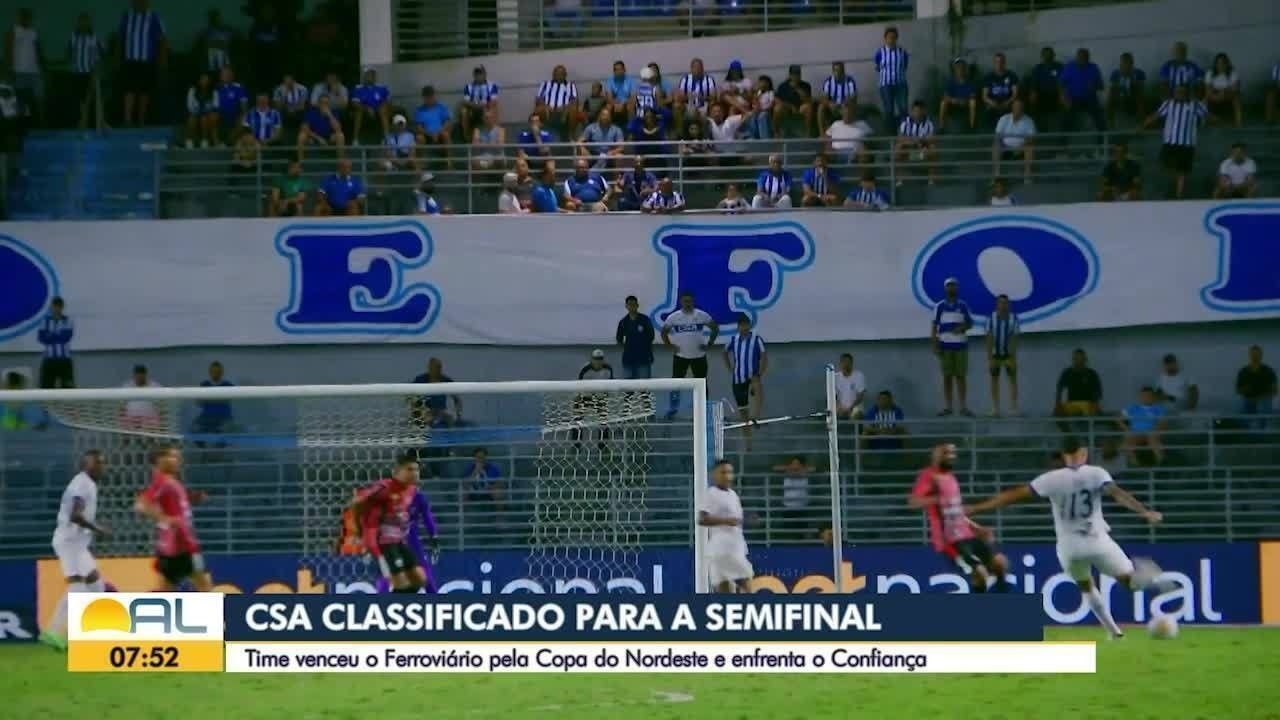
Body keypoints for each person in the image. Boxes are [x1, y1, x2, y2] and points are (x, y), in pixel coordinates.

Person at [965, 437, 1168, 639]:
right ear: (1084, 453)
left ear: (1064, 456)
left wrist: (977, 507)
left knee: (1086, 586)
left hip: (1069, 546)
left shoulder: (1052, 478)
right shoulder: (1096, 473)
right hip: (1097, 540)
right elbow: (1118, 494)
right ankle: (1148, 576)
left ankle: (1114, 632)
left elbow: (1015, 494)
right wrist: (1144, 512)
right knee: (1128, 582)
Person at [909, 443, 1010, 593]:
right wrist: (937, 499)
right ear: (935, 455)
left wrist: (976, 527)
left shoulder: (951, 478)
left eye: (952, 453)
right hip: (949, 541)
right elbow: (913, 502)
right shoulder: (928, 476)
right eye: (946, 453)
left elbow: (955, 511)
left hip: (966, 535)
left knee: (1000, 563)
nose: (951, 456)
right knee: (980, 573)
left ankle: (1002, 597)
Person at [39, 450, 109, 650]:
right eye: (98, 463)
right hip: (69, 543)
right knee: (77, 588)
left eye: (103, 464)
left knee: (96, 586)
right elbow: (75, 515)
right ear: (87, 464)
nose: (102, 467)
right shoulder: (82, 483)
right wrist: (97, 528)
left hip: (79, 545)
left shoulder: (88, 483)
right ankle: (53, 632)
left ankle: (78, 633)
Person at [350, 451, 431, 593]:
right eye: (409, 469)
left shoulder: (411, 490)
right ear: (397, 472)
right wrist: (359, 530)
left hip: (399, 542)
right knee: (401, 583)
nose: (415, 473)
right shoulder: (385, 487)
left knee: (420, 579)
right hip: (383, 543)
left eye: (417, 470)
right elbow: (357, 502)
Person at [135, 446, 213, 591]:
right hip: (181, 545)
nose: (178, 461)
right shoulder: (163, 482)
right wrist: (165, 518)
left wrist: (192, 498)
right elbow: (141, 505)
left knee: (168, 589)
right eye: (174, 457)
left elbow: (177, 506)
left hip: (176, 546)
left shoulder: (173, 483)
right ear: (161, 460)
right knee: (204, 586)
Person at [370, 483, 439, 594]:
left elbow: (427, 516)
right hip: (395, 543)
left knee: (425, 576)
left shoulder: (418, 497)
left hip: (407, 543)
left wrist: (434, 537)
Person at [660, 290, 718, 419]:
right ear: (681, 302)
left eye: (689, 301)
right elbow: (664, 332)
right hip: (681, 356)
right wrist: (670, 346)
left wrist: (709, 343)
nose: (687, 304)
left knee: (702, 384)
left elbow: (715, 328)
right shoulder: (674, 317)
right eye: (685, 301)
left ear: (693, 301)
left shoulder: (701, 315)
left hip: (699, 356)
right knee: (675, 384)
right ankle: (673, 409)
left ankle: (703, 409)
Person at [697, 459, 752, 593]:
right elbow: (702, 519)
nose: (727, 475)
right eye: (723, 472)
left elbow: (735, 521)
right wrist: (726, 521)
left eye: (729, 472)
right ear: (715, 475)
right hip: (724, 550)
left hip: (732, 548)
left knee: (726, 591)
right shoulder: (711, 493)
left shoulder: (733, 495)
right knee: (747, 580)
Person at [931, 277, 974, 417]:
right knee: (947, 377)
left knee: (961, 376)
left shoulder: (963, 305)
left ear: (957, 288)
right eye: (949, 286)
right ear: (945, 288)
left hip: (961, 346)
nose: (951, 288)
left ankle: (963, 407)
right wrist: (935, 345)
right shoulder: (939, 306)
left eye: (953, 286)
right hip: (945, 346)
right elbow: (934, 326)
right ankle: (948, 406)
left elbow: (970, 323)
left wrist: (962, 328)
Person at [724, 313, 767, 443]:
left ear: (749, 325)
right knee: (743, 412)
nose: (744, 327)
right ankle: (748, 440)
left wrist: (760, 373)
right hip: (738, 379)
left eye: (746, 325)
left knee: (756, 389)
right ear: (738, 326)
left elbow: (764, 357)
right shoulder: (734, 339)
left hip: (752, 377)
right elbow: (724, 352)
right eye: (741, 325)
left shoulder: (756, 339)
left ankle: (756, 416)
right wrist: (729, 367)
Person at [986, 294, 1020, 416]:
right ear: (997, 304)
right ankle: (995, 408)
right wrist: (990, 359)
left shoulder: (1013, 318)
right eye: (1001, 303)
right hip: (995, 355)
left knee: (1013, 380)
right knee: (994, 380)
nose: (1003, 305)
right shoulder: (991, 318)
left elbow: (1014, 339)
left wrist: (1013, 359)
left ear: (1008, 304)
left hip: (1008, 355)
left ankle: (1014, 407)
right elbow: (989, 338)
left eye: (1005, 303)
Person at [1119, 386, 1168, 466]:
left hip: (1151, 434)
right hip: (1136, 433)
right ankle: (1135, 466)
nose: (1146, 398)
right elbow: (1119, 419)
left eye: (1149, 396)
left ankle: (1160, 466)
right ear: (1140, 397)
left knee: (1155, 442)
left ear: (1153, 396)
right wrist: (1127, 429)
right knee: (1126, 445)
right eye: (1144, 396)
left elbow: (1163, 422)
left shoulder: (1158, 408)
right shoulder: (1133, 407)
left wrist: (1155, 430)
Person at [37, 296, 74, 388]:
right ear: (51, 307)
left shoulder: (68, 320)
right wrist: (57, 335)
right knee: (46, 387)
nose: (57, 309)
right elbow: (42, 338)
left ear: (62, 307)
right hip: (49, 359)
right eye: (55, 306)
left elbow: (66, 337)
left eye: (59, 307)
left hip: (64, 359)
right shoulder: (45, 321)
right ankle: (47, 403)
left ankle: (67, 403)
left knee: (68, 388)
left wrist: (50, 335)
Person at [616, 295, 656, 379]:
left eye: (634, 304)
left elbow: (651, 336)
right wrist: (628, 347)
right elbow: (619, 339)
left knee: (643, 385)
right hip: (628, 358)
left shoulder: (644, 320)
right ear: (626, 306)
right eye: (629, 304)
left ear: (637, 305)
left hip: (643, 358)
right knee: (628, 385)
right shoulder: (623, 322)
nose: (632, 307)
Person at [833, 353, 866, 419]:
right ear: (840, 363)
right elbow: (834, 396)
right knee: (831, 415)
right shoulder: (835, 377)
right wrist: (839, 407)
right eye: (844, 362)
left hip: (855, 407)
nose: (846, 364)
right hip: (840, 407)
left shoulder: (859, 376)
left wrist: (850, 408)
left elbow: (860, 396)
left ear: (852, 363)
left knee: (856, 414)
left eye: (848, 362)